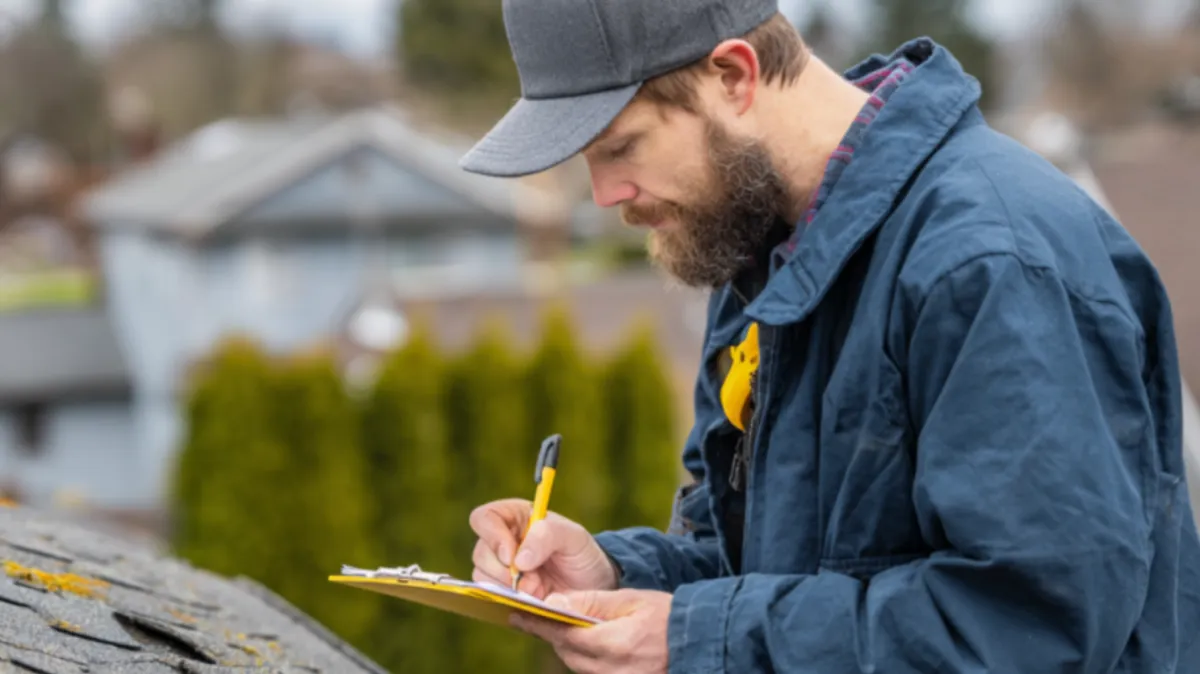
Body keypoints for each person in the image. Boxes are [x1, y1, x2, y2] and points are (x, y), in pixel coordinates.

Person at [460, 0, 1200, 672]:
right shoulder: (762, 258)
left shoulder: (988, 263)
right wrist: (620, 576)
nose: (604, 196)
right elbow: (762, 567)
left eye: (620, 146)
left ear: (734, 76)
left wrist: (698, 637)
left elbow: (1029, 627)